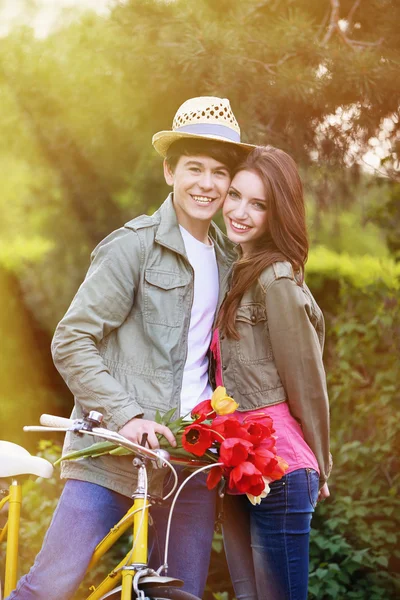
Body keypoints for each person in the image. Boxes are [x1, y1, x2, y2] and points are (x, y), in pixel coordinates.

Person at [6, 96, 254, 600]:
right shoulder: (132, 247)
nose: (206, 184)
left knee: (175, 594)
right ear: (169, 171)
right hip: (114, 453)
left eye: (219, 172)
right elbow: (72, 340)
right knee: (49, 589)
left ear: (230, 184)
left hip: (188, 458)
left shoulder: (232, 260)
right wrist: (126, 415)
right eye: (194, 168)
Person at [211, 145, 331, 600]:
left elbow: (306, 380)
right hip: (240, 464)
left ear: (277, 211)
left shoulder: (275, 278)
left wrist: (321, 461)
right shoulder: (236, 271)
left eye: (258, 204)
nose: (240, 212)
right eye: (236, 195)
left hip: (279, 466)